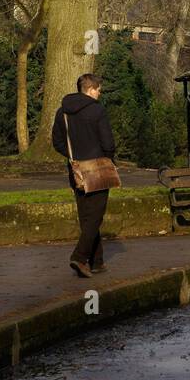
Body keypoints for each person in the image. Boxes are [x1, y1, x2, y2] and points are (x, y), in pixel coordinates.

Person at [51, 73, 116, 278]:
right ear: (90, 90)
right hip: (97, 169)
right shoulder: (97, 110)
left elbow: (57, 142)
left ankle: (96, 261)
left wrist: (73, 157)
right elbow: (108, 143)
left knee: (87, 217)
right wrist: (107, 159)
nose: (99, 93)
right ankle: (79, 257)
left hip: (76, 170)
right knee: (95, 216)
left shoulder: (62, 112)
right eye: (98, 90)